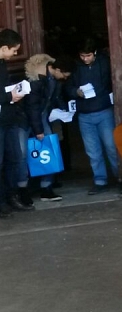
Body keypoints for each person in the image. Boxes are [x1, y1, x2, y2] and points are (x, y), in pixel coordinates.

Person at [65, 38, 119, 194]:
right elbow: (67, 86)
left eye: (88, 55)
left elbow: (115, 81)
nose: (85, 59)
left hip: (104, 111)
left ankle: (120, 176)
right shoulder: (75, 67)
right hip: (84, 115)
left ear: (94, 53)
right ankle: (100, 180)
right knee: (92, 151)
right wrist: (76, 91)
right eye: (82, 56)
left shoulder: (105, 63)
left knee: (111, 147)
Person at [24, 54, 76, 202]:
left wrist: (64, 110)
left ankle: (46, 186)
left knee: (48, 150)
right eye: (64, 75)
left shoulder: (53, 79)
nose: (65, 78)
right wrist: (38, 129)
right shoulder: (36, 78)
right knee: (27, 153)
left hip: (44, 116)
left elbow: (56, 97)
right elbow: (32, 107)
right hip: (30, 119)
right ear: (57, 69)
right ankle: (28, 187)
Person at [0, 29, 26, 218]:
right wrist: (9, 96)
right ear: (3, 48)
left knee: (14, 159)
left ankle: (11, 196)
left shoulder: (2, 63)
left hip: (8, 119)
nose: (15, 54)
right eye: (14, 50)